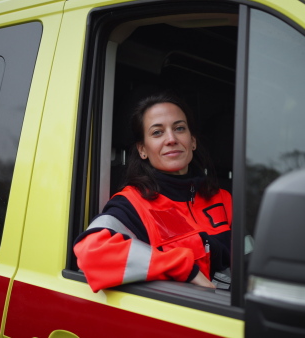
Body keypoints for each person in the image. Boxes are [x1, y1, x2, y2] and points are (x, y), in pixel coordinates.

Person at [73, 90, 232, 293]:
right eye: (157, 132)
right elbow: (91, 253)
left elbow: (250, 261)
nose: (171, 139)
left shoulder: (223, 198)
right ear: (143, 150)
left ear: (192, 141)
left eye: (180, 128)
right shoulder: (132, 204)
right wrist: (181, 267)